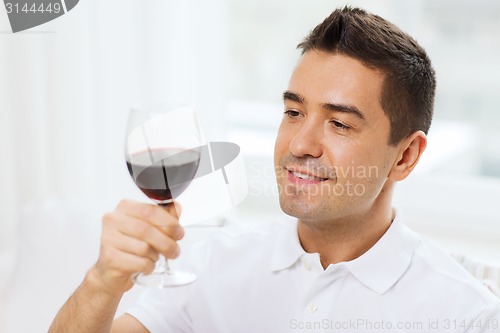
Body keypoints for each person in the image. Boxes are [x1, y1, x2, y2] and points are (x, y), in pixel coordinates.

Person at [49, 6, 500, 333]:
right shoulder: (210, 264)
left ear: (405, 157)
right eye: (294, 112)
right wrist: (102, 282)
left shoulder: (465, 315)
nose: (300, 145)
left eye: (339, 123)